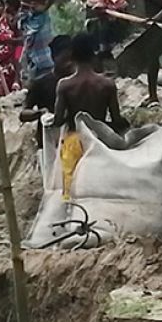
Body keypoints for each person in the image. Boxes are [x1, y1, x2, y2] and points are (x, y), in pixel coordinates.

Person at [54, 35, 129, 199]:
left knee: (71, 193)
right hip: (100, 142)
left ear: (71, 56)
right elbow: (116, 119)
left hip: (74, 143)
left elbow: (58, 120)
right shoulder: (107, 84)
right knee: (103, 189)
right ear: (94, 55)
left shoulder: (65, 85)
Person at [19, 36, 75, 124]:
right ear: (53, 57)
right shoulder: (41, 83)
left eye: (72, 59)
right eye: (65, 59)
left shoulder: (78, 82)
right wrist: (39, 113)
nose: (69, 64)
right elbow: (23, 114)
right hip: (49, 134)